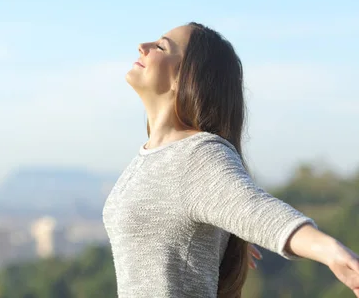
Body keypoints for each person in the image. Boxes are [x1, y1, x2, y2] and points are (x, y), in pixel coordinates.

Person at [102, 22, 359, 298]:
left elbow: (259, 212)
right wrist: (222, 234)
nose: (143, 47)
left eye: (161, 46)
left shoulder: (197, 156)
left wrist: (331, 252)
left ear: (185, 78)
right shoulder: (151, 155)